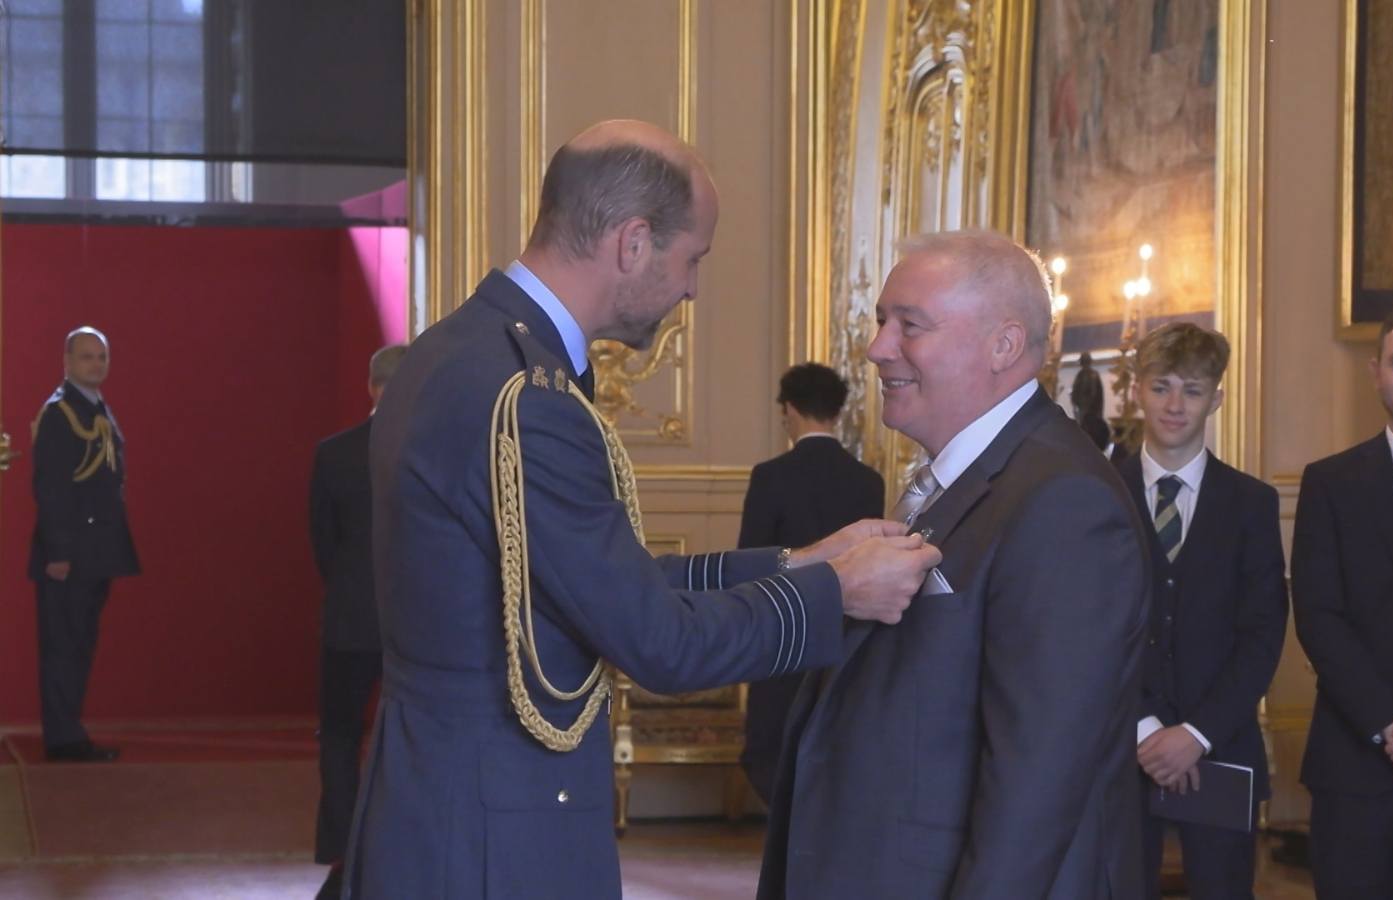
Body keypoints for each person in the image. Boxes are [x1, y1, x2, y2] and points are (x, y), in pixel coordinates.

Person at [341, 119, 939, 899]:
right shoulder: (526, 395)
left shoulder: (463, 352)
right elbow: (656, 641)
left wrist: (798, 560)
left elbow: (603, 578)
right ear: (632, 243)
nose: (692, 288)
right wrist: (838, 593)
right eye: (693, 259)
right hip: (497, 829)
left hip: (446, 799)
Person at [757, 230, 1150, 900]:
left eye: (909, 325)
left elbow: (1037, 784)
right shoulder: (959, 479)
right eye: (882, 321)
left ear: (1002, 345)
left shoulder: (1064, 502)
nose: (878, 347)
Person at [1118, 322, 1287, 899]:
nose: (1174, 404)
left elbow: (1263, 634)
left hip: (1220, 746)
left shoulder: (1252, 503)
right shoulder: (1097, 494)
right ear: (1136, 389)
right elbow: (1085, 631)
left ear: (1216, 396)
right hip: (1118, 747)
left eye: (1191, 390)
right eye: (1161, 386)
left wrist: (1194, 733)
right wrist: (1146, 729)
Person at [737, 362, 884, 804]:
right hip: (845, 643)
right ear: (836, 413)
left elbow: (751, 563)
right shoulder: (868, 482)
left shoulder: (771, 476)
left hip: (783, 641)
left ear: (791, 410)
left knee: (773, 755)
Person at [1292, 304, 1393, 899]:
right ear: (1376, 372)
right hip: (1356, 762)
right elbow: (1318, 615)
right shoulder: (1330, 482)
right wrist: (1388, 723)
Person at [308, 343, 408, 900]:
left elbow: (323, 544)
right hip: (411, 622)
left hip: (347, 620)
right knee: (404, 736)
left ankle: (344, 853)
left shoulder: (334, 454)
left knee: (340, 736)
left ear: (371, 386)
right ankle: (394, 849)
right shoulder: (431, 450)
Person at [28, 326, 139, 762]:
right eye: (88, 356)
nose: (97, 364)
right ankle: (63, 737)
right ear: (67, 361)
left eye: (102, 357)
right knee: (64, 644)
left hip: (94, 551)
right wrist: (58, 553)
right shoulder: (61, 413)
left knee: (78, 642)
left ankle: (68, 729)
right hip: (70, 555)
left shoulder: (94, 407)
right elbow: (52, 488)